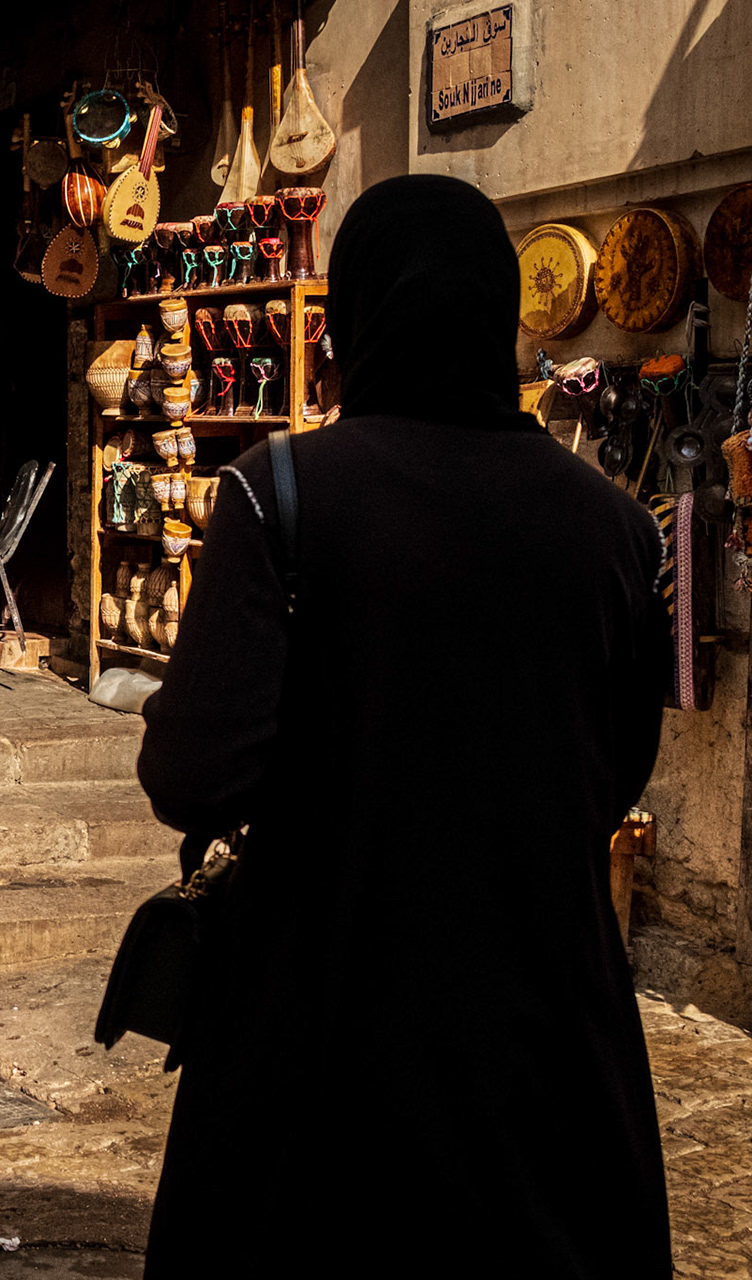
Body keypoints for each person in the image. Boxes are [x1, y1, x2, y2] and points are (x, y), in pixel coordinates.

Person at [134, 176, 670, 1278]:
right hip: (547, 1045)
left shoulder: (277, 494)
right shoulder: (615, 527)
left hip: (322, 1032)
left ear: (356, 317)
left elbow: (193, 774)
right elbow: (619, 767)